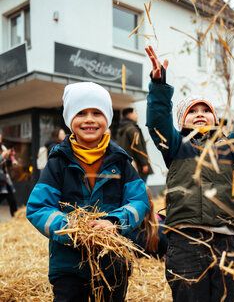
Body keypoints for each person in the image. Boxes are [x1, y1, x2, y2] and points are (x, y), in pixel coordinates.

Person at [145, 45, 234, 302]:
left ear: (214, 118)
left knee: (228, 296)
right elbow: (157, 122)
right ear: (180, 122)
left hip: (225, 241)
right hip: (184, 240)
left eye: (206, 110)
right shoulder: (175, 147)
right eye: (192, 112)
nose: (200, 114)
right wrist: (158, 87)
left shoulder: (228, 148)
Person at [26, 82, 150, 302]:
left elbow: (139, 200)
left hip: (112, 262)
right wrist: (70, 228)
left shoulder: (120, 161)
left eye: (97, 112)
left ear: (108, 118)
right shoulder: (58, 162)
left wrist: (115, 221)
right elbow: (38, 207)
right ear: (69, 119)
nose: (90, 119)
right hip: (69, 265)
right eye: (81, 112)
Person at [117, 107, 153, 182]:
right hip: (137, 165)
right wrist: (144, 163)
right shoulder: (132, 129)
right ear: (130, 115)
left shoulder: (121, 130)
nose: (137, 115)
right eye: (135, 113)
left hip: (126, 164)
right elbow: (137, 147)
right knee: (141, 187)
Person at [0, 133, 18, 217]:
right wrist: (2, 156)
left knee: (12, 199)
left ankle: (15, 218)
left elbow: (8, 160)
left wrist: (12, 162)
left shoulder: (3, 148)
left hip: (4, 178)